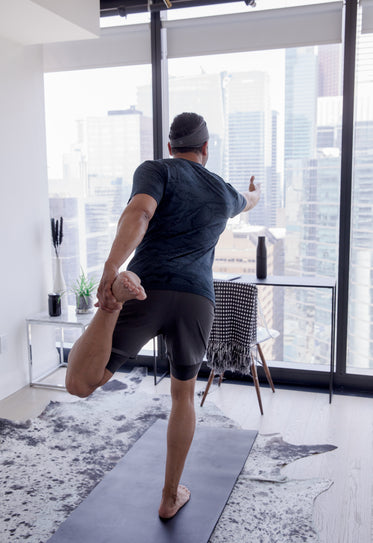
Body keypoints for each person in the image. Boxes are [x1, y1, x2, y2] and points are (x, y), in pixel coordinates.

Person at [65, 112, 261, 520]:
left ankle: (114, 303)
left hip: (146, 287)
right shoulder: (224, 193)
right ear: (206, 150)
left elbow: (139, 213)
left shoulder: (157, 170)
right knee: (183, 395)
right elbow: (249, 203)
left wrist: (111, 268)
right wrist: (252, 193)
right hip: (197, 301)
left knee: (82, 382)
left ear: (170, 148)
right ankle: (170, 497)